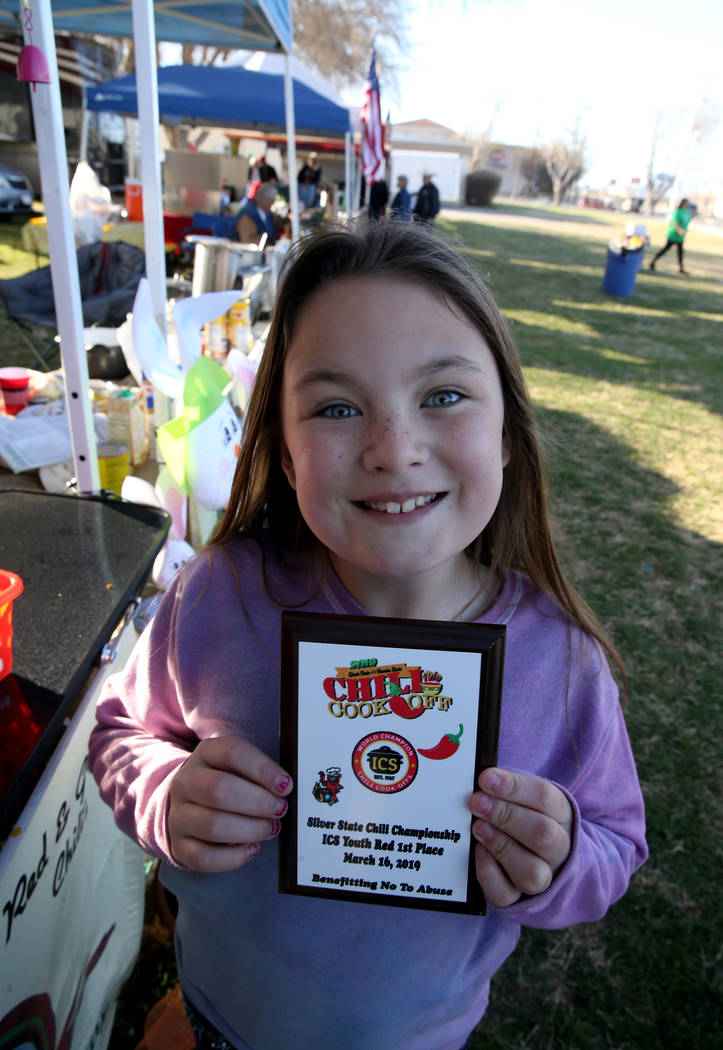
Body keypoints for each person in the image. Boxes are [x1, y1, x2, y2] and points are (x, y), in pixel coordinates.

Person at [89, 221, 647, 1050]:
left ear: (505, 429)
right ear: (280, 453)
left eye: (443, 396)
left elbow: (615, 844)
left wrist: (560, 860)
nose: (395, 451)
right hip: (219, 1016)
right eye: (338, 407)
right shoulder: (220, 593)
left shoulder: (559, 663)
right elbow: (121, 735)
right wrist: (166, 795)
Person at [649, 198, 695, 274]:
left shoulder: (687, 212)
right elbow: (675, 223)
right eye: (686, 204)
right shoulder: (677, 212)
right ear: (682, 204)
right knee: (665, 250)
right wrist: (680, 230)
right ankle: (652, 262)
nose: (687, 205)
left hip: (680, 237)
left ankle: (681, 269)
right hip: (673, 235)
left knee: (680, 252)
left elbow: (688, 220)